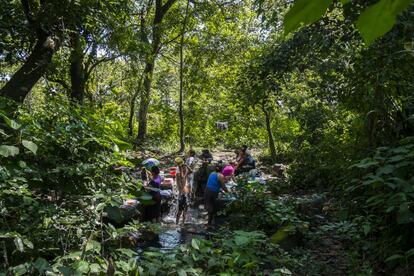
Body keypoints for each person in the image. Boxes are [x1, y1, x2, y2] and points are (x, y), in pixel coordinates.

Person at [175, 157, 188, 224]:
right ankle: (177, 223)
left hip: (184, 194)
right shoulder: (179, 176)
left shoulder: (183, 174)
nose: (185, 169)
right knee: (180, 211)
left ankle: (182, 223)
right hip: (182, 195)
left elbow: (191, 171)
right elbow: (181, 186)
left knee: (185, 210)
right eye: (184, 167)